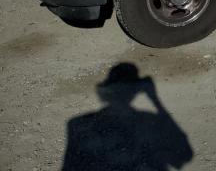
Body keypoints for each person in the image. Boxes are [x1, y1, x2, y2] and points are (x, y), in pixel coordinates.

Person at [62, 63, 193, 170]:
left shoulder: (78, 124)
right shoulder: (149, 122)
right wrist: (154, 99)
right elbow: (184, 155)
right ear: (135, 92)